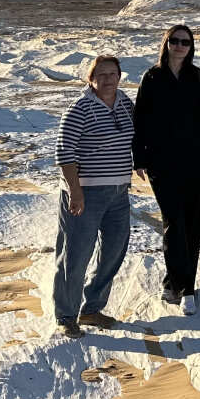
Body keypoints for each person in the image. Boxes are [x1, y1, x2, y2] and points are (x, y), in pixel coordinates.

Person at [51, 53, 135, 338]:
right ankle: (66, 315)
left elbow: (137, 137)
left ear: (120, 77)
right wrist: (75, 191)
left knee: (114, 252)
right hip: (85, 193)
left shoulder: (125, 103)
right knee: (75, 255)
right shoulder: (80, 108)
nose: (108, 79)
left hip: (119, 191)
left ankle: (92, 308)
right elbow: (64, 152)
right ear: (91, 79)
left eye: (113, 74)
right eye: (102, 75)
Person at [133, 24, 200, 315]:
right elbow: (139, 117)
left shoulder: (197, 76)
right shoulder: (152, 77)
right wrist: (138, 157)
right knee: (173, 222)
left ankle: (179, 282)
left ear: (191, 47)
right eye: (175, 41)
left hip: (193, 161)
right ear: (166, 43)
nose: (180, 46)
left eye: (186, 42)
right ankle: (184, 288)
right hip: (161, 163)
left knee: (192, 223)